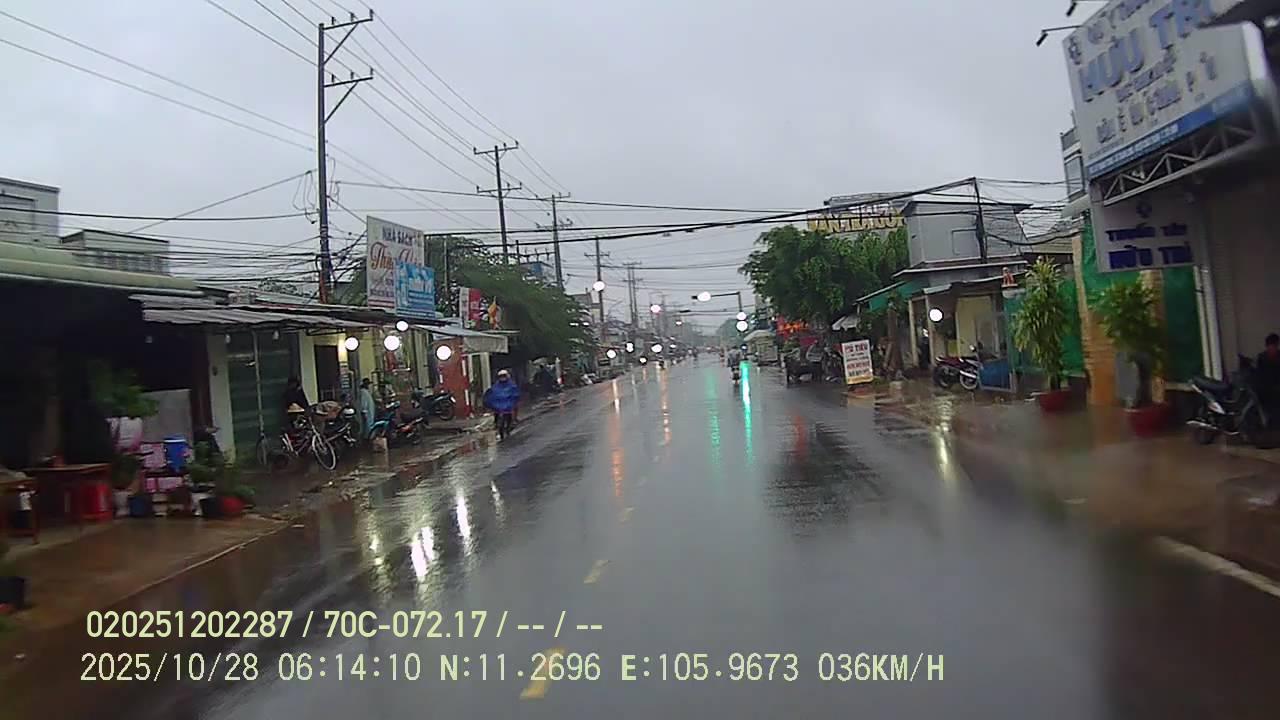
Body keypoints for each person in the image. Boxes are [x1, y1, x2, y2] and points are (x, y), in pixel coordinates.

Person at [1256, 333, 1280, 407]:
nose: (1273, 349)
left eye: (1275, 346)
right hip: (1266, 393)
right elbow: (1260, 377)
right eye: (1271, 346)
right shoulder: (1262, 358)